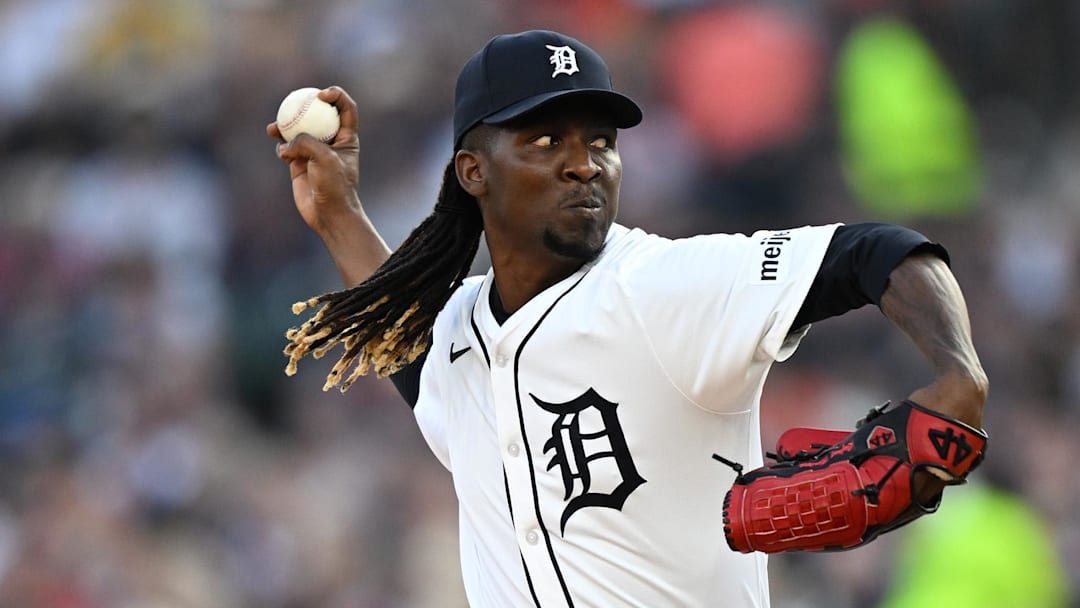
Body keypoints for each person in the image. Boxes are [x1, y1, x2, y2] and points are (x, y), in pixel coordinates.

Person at [268, 30, 988, 608]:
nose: (584, 163)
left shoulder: (661, 286)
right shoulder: (463, 335)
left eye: (601, 142)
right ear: (473, 171)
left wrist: (959, 379)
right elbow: (414, 353)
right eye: (545, 141)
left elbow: (876, 251)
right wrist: (337, 212)